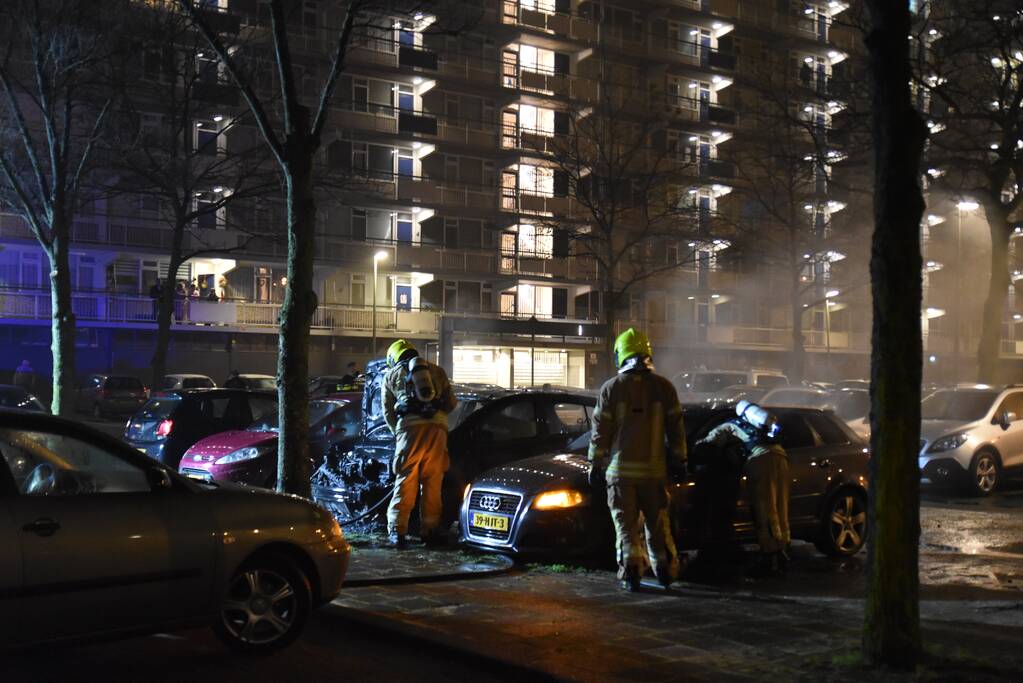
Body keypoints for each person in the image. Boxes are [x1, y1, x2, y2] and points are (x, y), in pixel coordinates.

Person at [588, 328, 686, 591]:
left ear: (620, 354)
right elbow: (676, 428)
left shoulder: (611, 389)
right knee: (658, 526)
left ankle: (632, 575)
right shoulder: (664, 388)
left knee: (626, 529)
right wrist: (680, 459)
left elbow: (600, 431)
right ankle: (665, 572)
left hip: (621, 476)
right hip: (654, 476)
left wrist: (595, 463)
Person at [696, 400, 790, 578]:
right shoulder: (763, 426)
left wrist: (695, 448)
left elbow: (708, 443)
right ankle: (782, 550)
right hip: (781, 456)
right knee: (780, 506)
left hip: (760, 460)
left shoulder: (730, 425)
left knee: (764, 509)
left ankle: (770, 557)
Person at [382, 339, 457, 549]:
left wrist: (399, 432)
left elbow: (387, 412)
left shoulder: (391, 375)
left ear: (394, 357)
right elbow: (451, 404)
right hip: (438, 432)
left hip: (409, 433)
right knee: (433, 482)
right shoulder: (437, 371)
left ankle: (398, 532)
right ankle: (430, 531)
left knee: (406, 480)